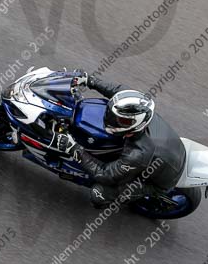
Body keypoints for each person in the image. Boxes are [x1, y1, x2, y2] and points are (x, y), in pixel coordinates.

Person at [54, 72, 187, 208]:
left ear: (135, 125)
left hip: (160, 180)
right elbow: (116, 91)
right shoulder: (138, 105)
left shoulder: (137, 154)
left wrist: (73, 148)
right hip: (172, 150)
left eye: (121, 121)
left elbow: (105, 174)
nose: (112, 120)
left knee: (98, 193)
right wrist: (90, 81)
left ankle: (111, 200)